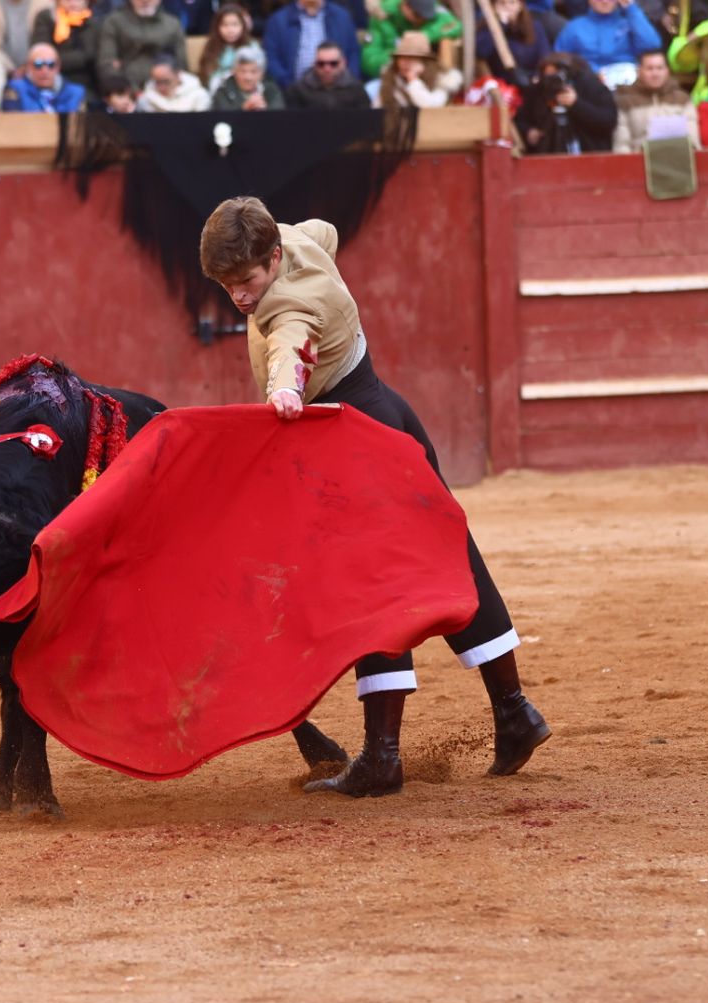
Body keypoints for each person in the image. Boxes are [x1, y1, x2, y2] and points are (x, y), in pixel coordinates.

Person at [197, 197, 554, 798]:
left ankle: (384, 757)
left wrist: (285, 392)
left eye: (247, 280)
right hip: (390, 418)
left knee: (373, 588)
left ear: (273, 258)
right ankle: (515, 713)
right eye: (227, 285)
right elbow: (328, 230)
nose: (239, 296)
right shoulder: (297, 241)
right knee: (451, 560)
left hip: (355, 448)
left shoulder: (286, 306)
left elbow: (289, 345)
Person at [516, 52, 618, 153]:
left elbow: (608, 120)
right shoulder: (538, 90)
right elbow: (520, 119)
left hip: (587, 151)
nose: (553, 82)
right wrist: (528, 131)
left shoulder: (590, 86)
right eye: (548, 77)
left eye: (556, 77)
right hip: (547, 152)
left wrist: (576, 104)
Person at [554, 0, 661, 87]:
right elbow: (559, 60)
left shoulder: (629, 22)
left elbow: (652, 45)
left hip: (629, 88)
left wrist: (630, 8)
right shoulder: (574, 27)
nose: (605, 1)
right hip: (589, 88)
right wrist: (591, 73)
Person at [264, 0, 361, 88]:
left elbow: (353, 54)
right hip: (293, 92)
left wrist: (347, 84)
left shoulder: (342, 17)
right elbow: (271, 58)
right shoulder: (278, 20)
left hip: (338, 91)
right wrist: (289, 85)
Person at [613, 47, 696, 150]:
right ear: (639, 71)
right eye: (650, 68)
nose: (655, 73)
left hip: (678, 162)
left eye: (659, 68)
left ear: (667, 71)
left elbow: (693, 142)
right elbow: (621, 145)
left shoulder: (682, 99)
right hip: (640, 162)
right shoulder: (624, 101)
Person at [96, 0, 187, 90]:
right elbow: (107, 63)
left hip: (165, 89)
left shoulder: (173, 24)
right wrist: (123, 91)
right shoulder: (114, 23)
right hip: (127, 91)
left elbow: (181, 64)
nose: (145, 1)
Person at [361, 0, 459, 81]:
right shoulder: (382, 16)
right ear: (406, 6)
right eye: (418, 15)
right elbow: (368, 62)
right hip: (391, 77)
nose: (422, 20)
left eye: (426, 18)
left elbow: (455, 24)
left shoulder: (431, 7)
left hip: (424, 75)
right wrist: (398, 56)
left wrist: (425, 35)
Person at [374, 29, 462, 106]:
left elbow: (430, 106)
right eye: (402, 58)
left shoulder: (442, 81)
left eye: (411, 59)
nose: (406, 63)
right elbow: (378, 107)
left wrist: (413, 81)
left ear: (425, 62)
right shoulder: (390, 79)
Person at [475, 0, 550, 86]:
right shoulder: (486, 28)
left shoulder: (535, 27)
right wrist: (501, 24)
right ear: (494, 7)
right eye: (502, 3)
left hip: (529, 80)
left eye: (512, 3)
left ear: (520, 6)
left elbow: (544, 56)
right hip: (501, 84)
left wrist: (536, 76)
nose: (507, 7)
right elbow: (481, 52)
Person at [285, 37, 371, 107]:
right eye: (321, 64)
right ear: (314, 64)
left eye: (333, 63)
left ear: (343, 63)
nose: (327, 69)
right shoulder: (298, 90)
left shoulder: (356, 90)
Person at [30, 0, 97, 88]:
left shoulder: (91, 22)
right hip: (51, 79)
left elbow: (90, 55)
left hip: (84, 82)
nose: (72, 3)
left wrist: (56, 59)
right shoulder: (47, 17)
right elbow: (41, 54)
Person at [3, 41, 87, 110]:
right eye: (38, 65)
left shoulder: (76, 93)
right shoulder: (16, 89)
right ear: (28, 67)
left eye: (51, 64)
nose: (45, 71)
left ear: (58, 67)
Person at [197, 2, 252, 90]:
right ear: (217, 27)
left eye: (235, 25)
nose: (230, 30)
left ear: (243, 26)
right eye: (225, 25)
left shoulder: (251, 46)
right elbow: (206, 76)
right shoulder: (211, 46)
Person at [209, 41, 282, 108]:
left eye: (253, 72)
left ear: (262, 73)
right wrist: (243, 110)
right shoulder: (223, 91)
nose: (248, 77)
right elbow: (219, 118)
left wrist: (264, 111)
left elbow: (280, 116)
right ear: (234, 72)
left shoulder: (271, 90)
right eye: (243, 71)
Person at [137, 52, 209, 109]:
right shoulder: (146, 98)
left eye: (165, 81)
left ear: (178, 75)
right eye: (157, 82)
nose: (161, 87)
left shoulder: (198, 95)